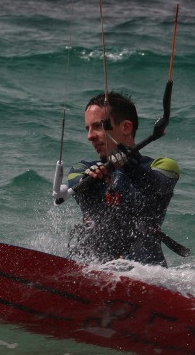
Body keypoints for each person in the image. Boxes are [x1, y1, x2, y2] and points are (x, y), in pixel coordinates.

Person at [66, 91, 180, 266]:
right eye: (87, 129)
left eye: (98, 126)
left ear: (126, 127)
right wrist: (90, 179)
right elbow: (75, 182)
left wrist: (126, 165)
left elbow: (156, 184)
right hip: (92, 266)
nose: (90, 136)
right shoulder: (82, 169)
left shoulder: (163, 166)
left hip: (145, 269)